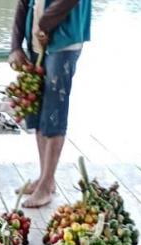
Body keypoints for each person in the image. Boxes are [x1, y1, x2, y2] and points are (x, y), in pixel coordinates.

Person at [9, 0, 91, 207]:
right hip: (37, 41)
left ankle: (46, 185)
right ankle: (45, 178)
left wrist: (44, 24)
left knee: (54, 112)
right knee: (37, 111)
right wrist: (15, 46)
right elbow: (22, 3)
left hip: (62, 42)